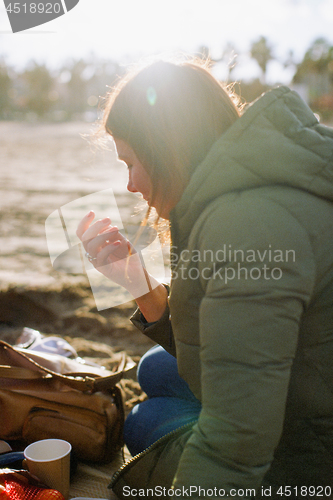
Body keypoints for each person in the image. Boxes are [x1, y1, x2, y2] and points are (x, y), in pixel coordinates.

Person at [76, 58, 333, 499]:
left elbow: (237, 440)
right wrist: (138, 281)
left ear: (167, 147)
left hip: (311, 452)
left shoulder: (247, 225)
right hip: (302, 382)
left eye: (131, 162)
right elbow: (229, 334)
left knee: (143, 423)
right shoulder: (249, 181)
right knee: (154, 369)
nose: (131, 185)